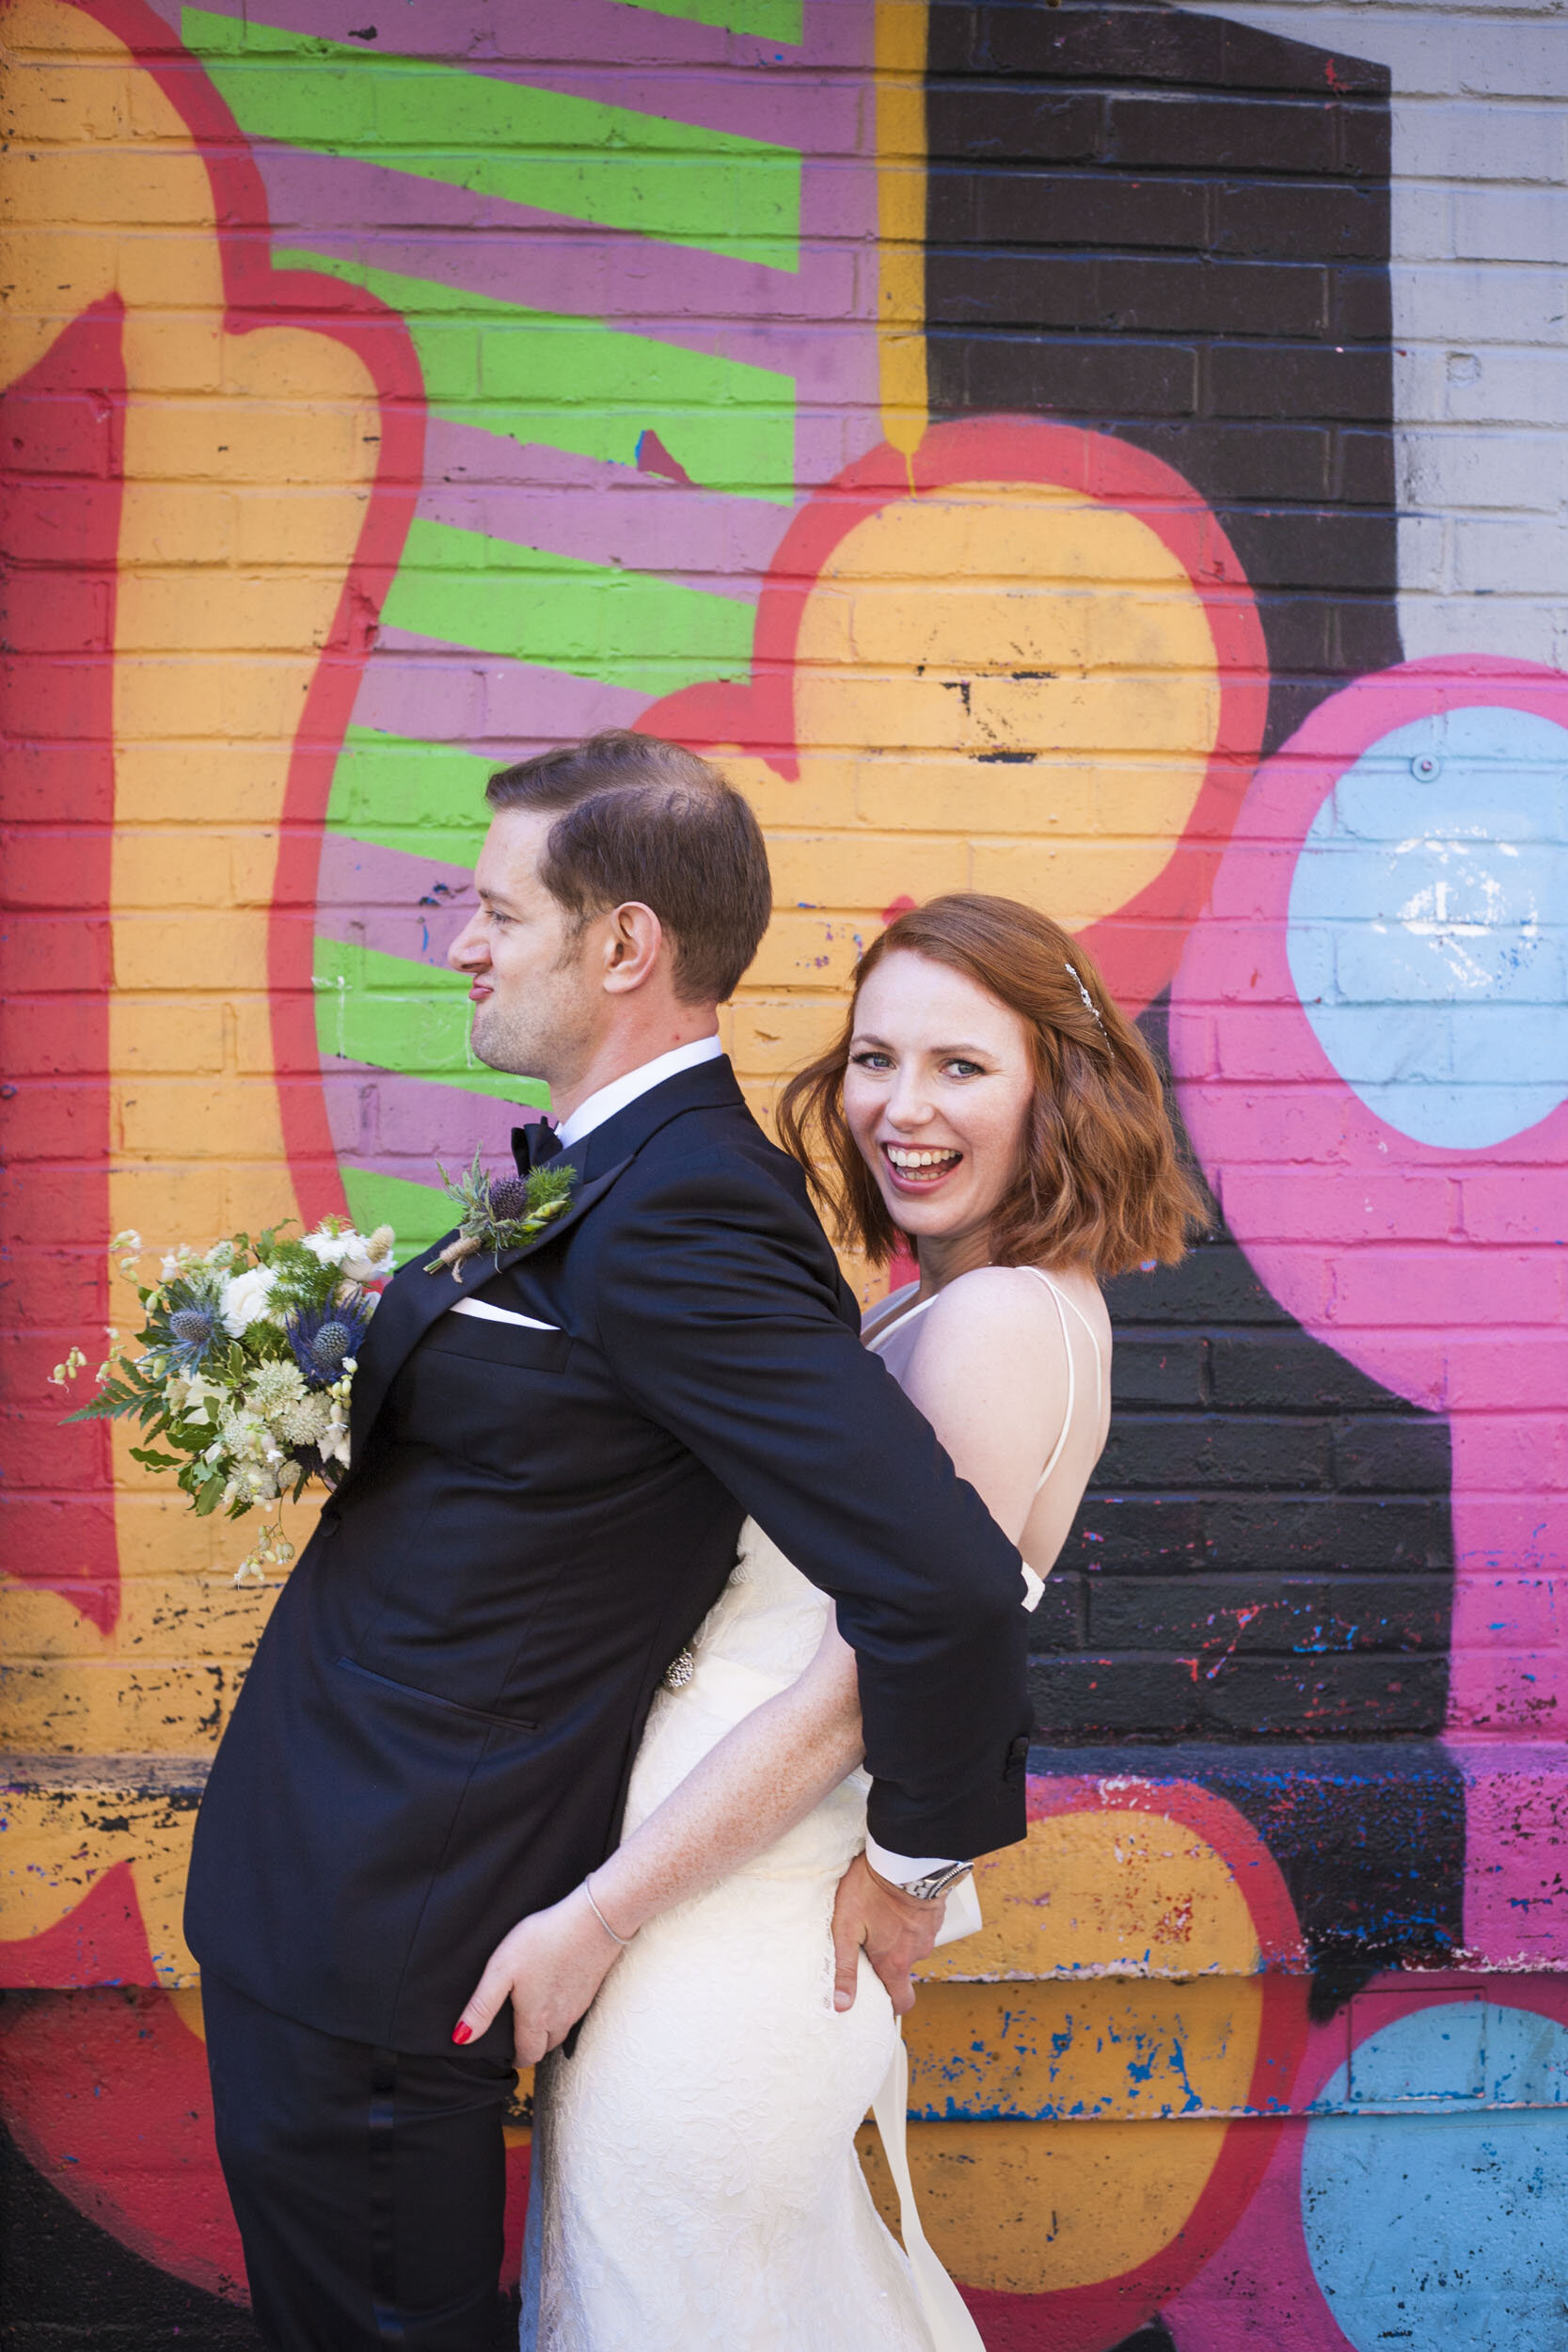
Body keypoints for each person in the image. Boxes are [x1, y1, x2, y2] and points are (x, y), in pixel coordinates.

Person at [182, 737, 1036, 2351]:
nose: (461, 943)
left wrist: (916, 1864)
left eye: (497, 911)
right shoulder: (604, 1167)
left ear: (624, 944)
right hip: (324, 1878)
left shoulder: (691, 1210)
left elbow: (941, 1577)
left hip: (397, 1924)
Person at [472, 891, 1205, 2350]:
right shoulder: (951, 1305)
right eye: (875, 1058)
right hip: (725, 1899)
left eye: (962, 1067)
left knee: (669, 2304)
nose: (901, 1108)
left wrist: (594, 1918)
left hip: (745, 1923)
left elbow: (858, 1689)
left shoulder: (1000, 1323)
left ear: (1062, 1089)